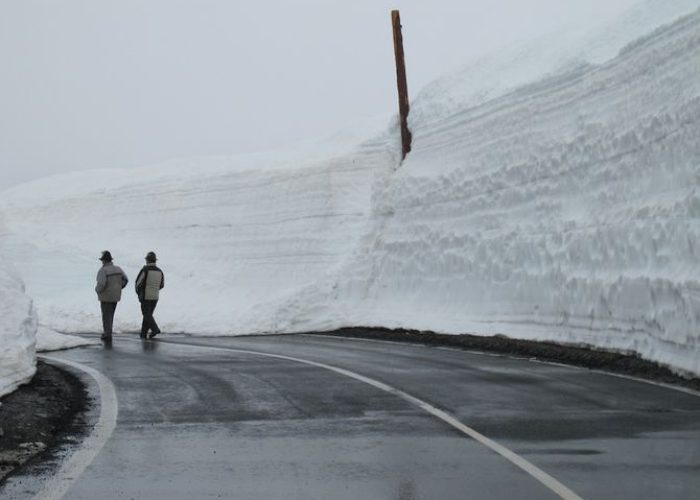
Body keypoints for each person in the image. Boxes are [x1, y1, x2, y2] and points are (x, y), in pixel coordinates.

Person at [95, 250, 129, 341]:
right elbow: (125, 280)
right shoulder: (118, 269)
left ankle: (107, 333)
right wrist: (119, 287)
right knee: (111, 315)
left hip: (106, 297)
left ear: (104, 260)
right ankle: (108, 332)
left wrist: (97, 290)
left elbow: (101, 284)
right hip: (116, 296)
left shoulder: (103, 270)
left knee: (106, 316)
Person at [135, 251, 165, 339]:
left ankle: (155, 329)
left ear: (147, 260)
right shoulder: (160, 271)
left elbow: (138, 283)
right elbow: (162, 284)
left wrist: (138, 292)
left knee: (146, 314)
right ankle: (143, 333)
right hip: (155, 296)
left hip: (145, 295)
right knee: (148, 315)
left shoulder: (145, 270)